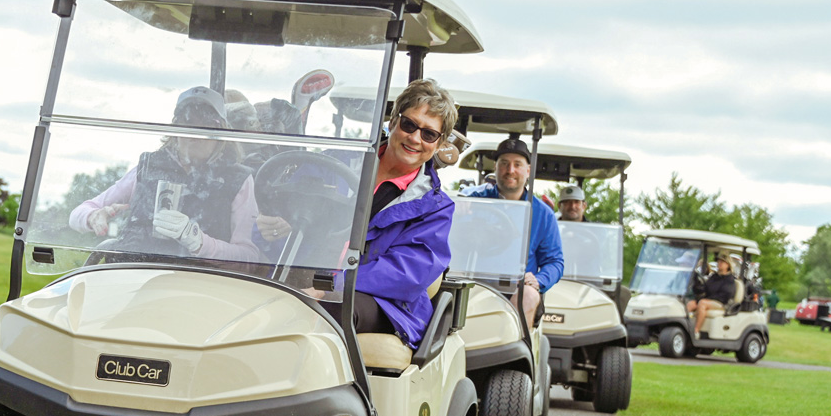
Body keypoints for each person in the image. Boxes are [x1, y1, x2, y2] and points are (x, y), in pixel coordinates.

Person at [256, 78, 457, 349]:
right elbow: (289, 220)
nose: (415, 138)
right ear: (394, 121)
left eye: (428, 134)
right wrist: (268, 231)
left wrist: (333, 284)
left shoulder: (435, 207)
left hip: (380, 300)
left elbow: (407, 273)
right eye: (409, 125)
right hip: (305, 275)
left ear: (438, 142)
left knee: (324, 312)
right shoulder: (333, 163)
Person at [69, 86, 261, 263]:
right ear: (175, 128)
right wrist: (93, 216)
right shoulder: (147, 169)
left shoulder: (238, 181)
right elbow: (78, 213)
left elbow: (249, 258)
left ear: (222, 132)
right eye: (187, 121)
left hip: (201, 286)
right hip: (131, 277)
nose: (196, 132)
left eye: (208, 123)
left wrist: (198, 241)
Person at [461, 137, 564, 330]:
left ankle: (511, 353)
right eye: (504, 164)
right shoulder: (474, 202)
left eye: (517, 165)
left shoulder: (543, 214)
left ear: (528, 170)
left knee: (530, 295)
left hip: (515, 289)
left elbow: (555, 262)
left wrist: (539, 280)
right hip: (475, 284)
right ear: (496, 167)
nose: (510, 171)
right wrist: (460, 211)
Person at [686, 251, 737, 336]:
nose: (719, 263)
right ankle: (685, 327)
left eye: (722, 262)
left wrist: (706, 298)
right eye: (718, 262)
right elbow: (706, 288)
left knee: (702, 304)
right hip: (709, 300)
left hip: (722, 303)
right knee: (690, 304)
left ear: (727, 265)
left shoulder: (730, 280)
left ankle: (696, 331)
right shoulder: (714, 276)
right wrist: (698, 286)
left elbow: (726, 295)